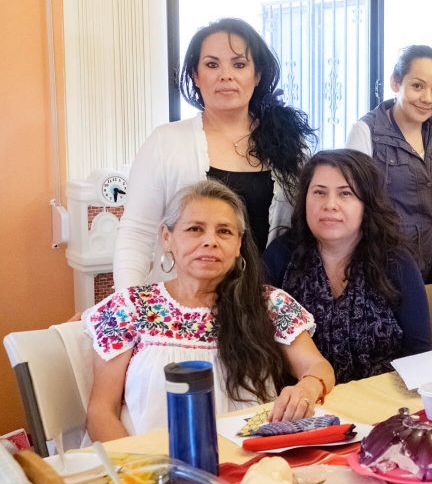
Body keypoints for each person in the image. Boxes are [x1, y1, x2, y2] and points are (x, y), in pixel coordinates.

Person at [85, 181, 333, 440]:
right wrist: (138, 472)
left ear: (238, 245)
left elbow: (317, 366)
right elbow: (101, 412)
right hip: (150, 470)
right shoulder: (128, 308)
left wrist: (307, 387)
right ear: (167, 237)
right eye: (195, 229)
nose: (210, 242)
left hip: (251, 464)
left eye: (224, 232)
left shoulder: (269, 304)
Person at [114, 18, 315, 290]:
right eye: (211, 64)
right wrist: (126, 305)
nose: (226, 75)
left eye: (239, 64)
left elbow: (304, 231)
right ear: (196, 76)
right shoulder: (165, 142)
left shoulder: (289, 143)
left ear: (257, 75)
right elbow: (136, 234)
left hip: (260, 304)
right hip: (184, 303)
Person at [263, 150, 432, 384]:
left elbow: (419, 353)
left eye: (345, 194)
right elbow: (258, 345)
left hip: (384, 402)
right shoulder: (281, 255)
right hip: (305, 406)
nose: (330, 205)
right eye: (319, 192)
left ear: (367, 204)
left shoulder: (395, 260)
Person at [346, 45, 432, 282]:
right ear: (395, 82)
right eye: (417, 86)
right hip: (391, 263)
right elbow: (355, 208)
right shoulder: (365, 131)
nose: (427, 98)